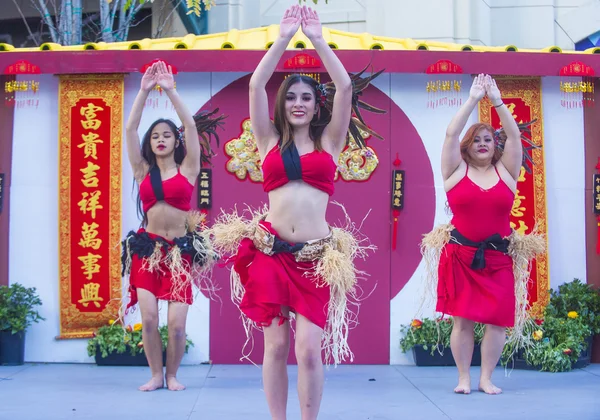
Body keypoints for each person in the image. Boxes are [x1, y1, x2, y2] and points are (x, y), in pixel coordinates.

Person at [207, 5, 384, 419]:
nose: (298, 103)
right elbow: (255, 85)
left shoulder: (331, 142)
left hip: (315, 259)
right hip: (270, 252)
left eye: (306, 97)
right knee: (276, 346)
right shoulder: (268, 140)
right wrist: (284, 38)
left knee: (308, 350)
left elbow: (344, 88)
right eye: (291, 97)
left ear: (314, 104)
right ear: (282, 104)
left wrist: (319, 40)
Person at [420, 74, 544, 395]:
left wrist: (498, 101)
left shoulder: (506, 172)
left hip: (498, 257)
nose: (483, 143)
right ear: (468, 146)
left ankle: (486, 377)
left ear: (495, 145)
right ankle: (463, 377)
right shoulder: (455, 170)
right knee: (462, 320)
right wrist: (474, 99)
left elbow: (515, 138)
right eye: (477, 139)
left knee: (497, 320)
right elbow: (450, 134)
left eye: (488, 139)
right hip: (461, 256)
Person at [121, 60, 225, 392]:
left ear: (174, 141)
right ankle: (154, 375)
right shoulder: (141, 171)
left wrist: (169, 89)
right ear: (150, 144)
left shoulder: (188, 168)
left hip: (179, 253)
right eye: (156, 136)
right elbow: (129, 129)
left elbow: (191, 127)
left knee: (177, 326)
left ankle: (172, 375)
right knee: (150, 320)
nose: (161, 140)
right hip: (148, 250)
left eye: (167, 135)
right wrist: (143, 91)